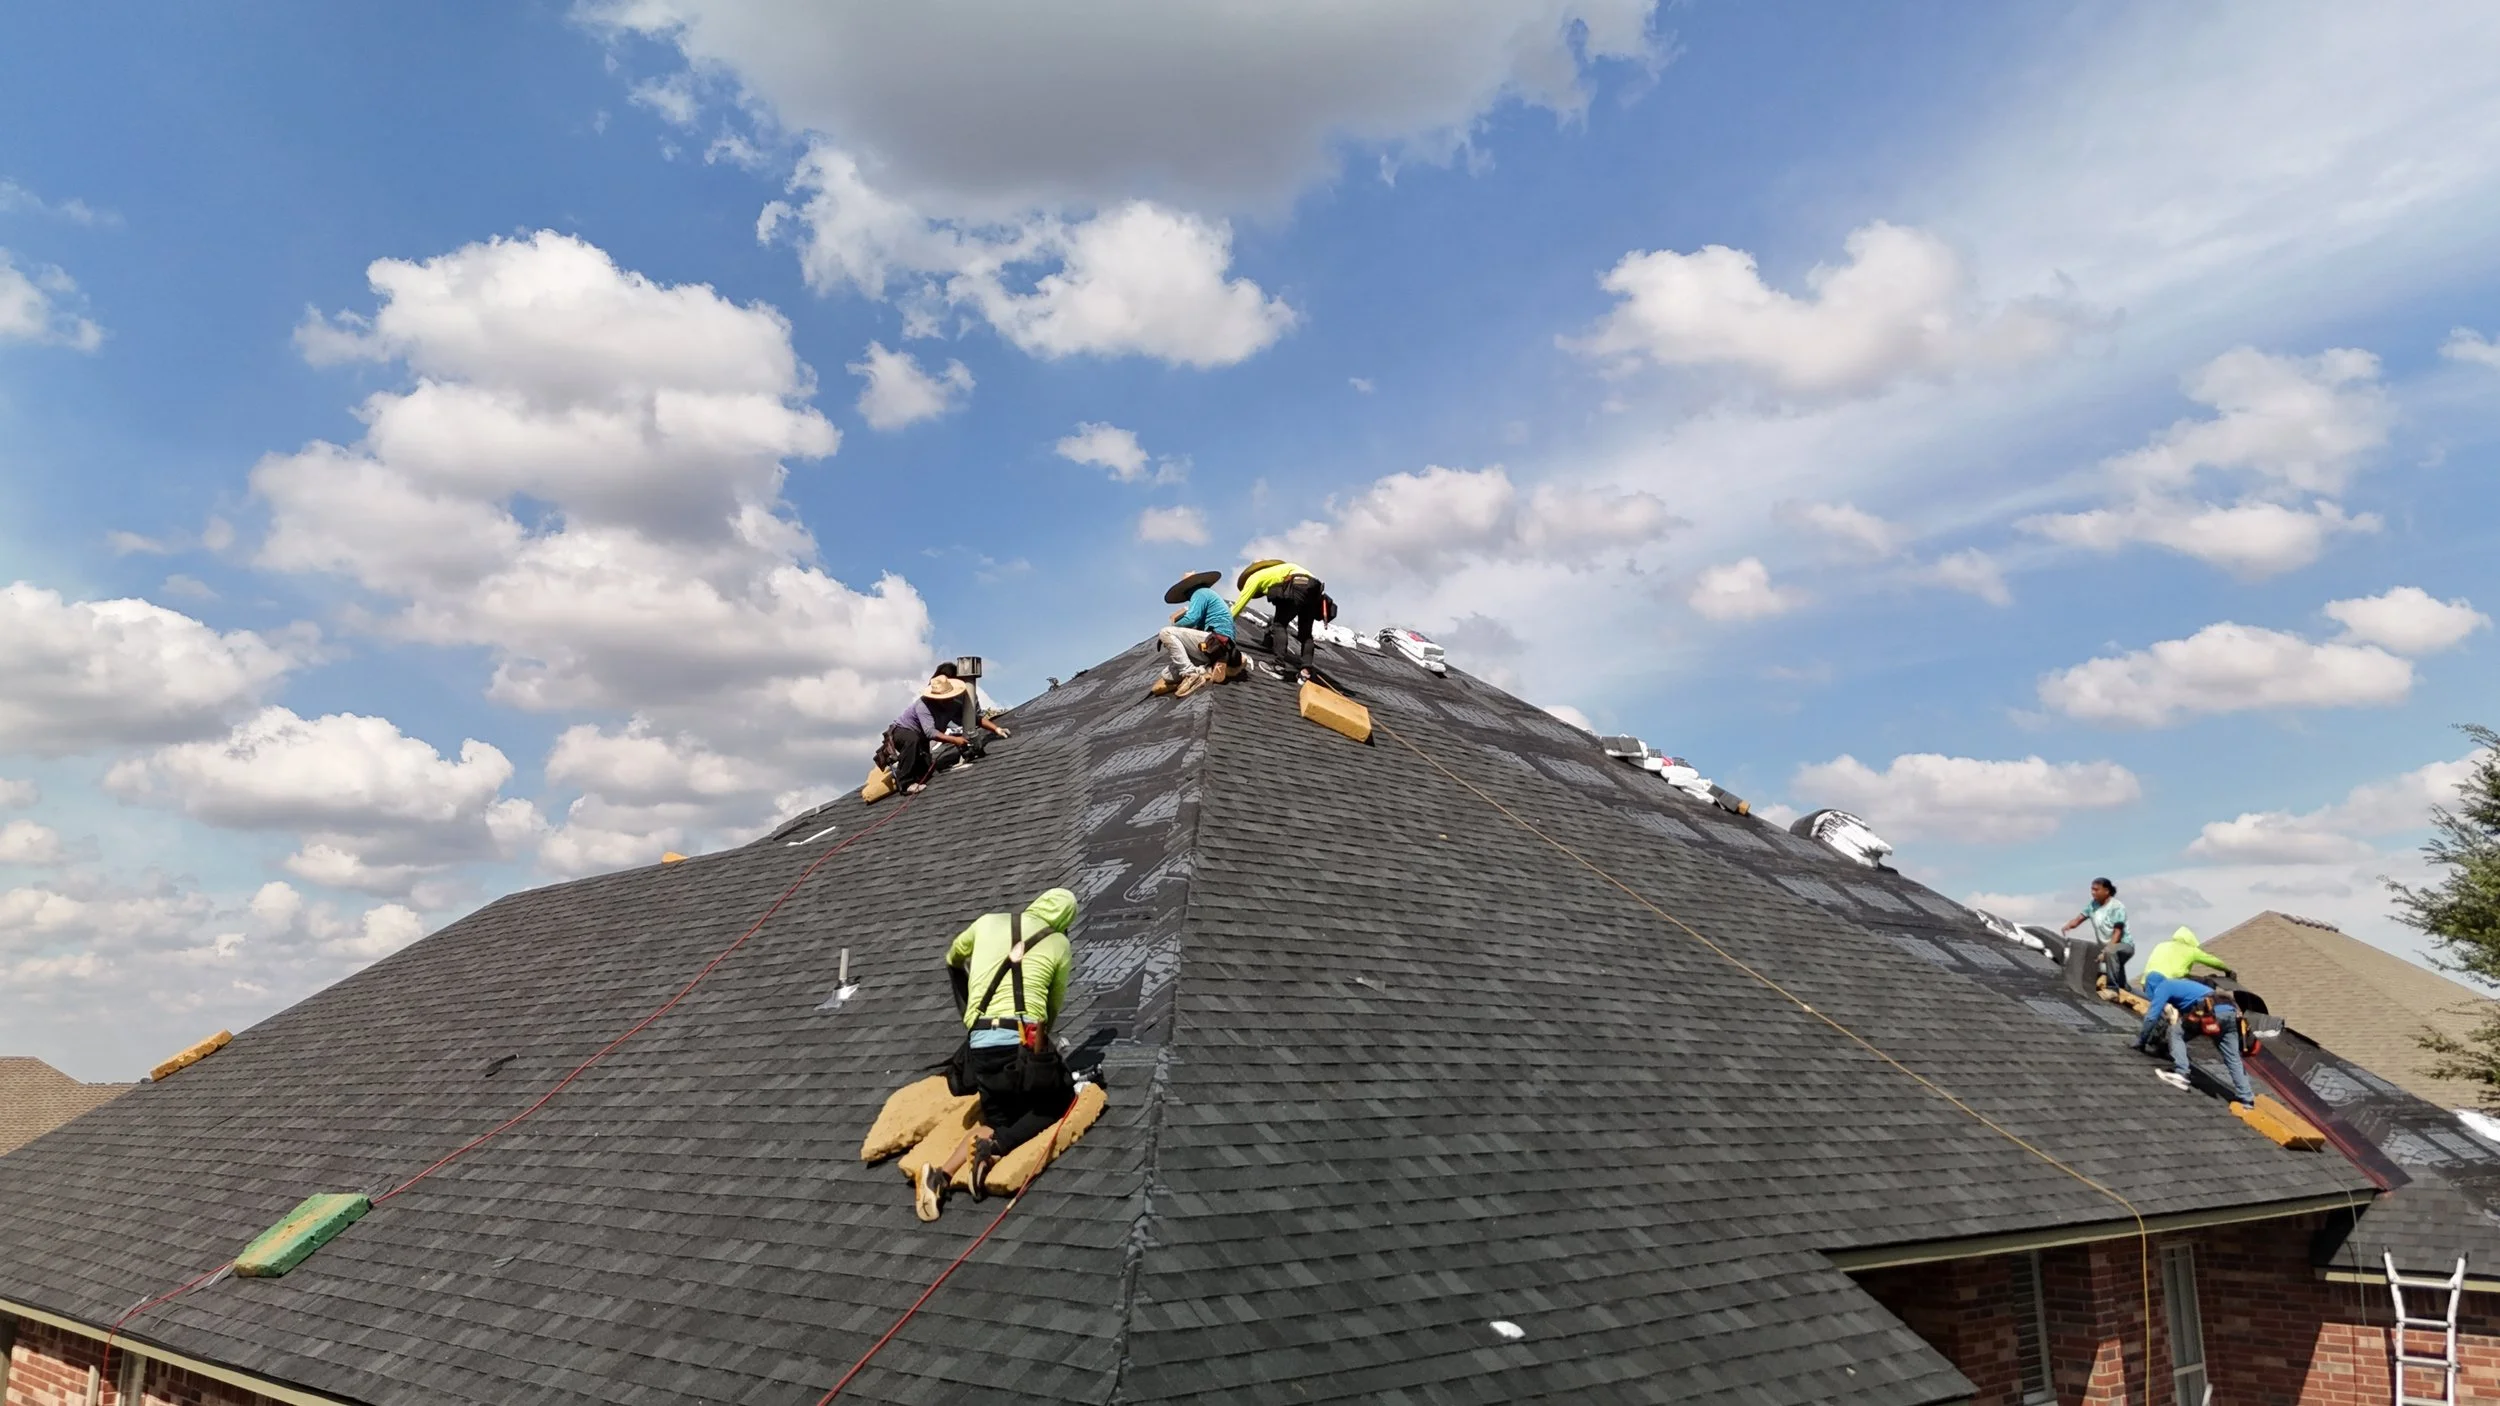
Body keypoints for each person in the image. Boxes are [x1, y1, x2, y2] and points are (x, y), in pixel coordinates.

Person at [918, 888, 1079, 1221]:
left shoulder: (987, 922)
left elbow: (953, 956)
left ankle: (941, 1176)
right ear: (1064, 920)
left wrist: (970, 1000)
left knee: (996, 1119)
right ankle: (997, 1148)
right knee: (1058, 1101)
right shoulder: (1059, 944)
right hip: (1018, 1044)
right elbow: (1051, 1007)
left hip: (979, 1047)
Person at [2132, 975, 2255, 1107]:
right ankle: (2247, 1098)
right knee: (2232, 1056)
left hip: (2209, 1011)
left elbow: (2151, 1017)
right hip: (2230, 1011)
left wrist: (2141, 1041)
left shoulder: (2163, 987)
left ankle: (2181, 1073)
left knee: (2176, 1032)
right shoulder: (2180, 985)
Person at [879, 676, 983, 795]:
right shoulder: (923, 705)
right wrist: (955, 740)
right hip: (901, 731)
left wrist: (996, 728)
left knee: (926, 771)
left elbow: (970, 719)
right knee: (912, 740)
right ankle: (905, 783)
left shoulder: (950, 706)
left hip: (920, 737)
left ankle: (911, 770)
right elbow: (930, 732)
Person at [1232, 559, 1327, 681]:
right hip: (1316, 589)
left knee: (1279, 625)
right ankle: (1305, 673)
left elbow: (1239, 605)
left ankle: (1278, 666)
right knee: (1305, 633)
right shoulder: (1280, 571)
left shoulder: (1256, 576)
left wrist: (1221, 625)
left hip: (1298, 585)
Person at [1153, 569, 1235, 698]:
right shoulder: (1207, 594)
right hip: (1212, 645)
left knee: (1165, 632)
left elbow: (1191, 619)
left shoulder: (1200, 593)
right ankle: (1205, 670)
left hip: (1216, 641)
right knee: (1167, 675)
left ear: (1187, 589)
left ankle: (1191, 674)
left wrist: (1171, 630)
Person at [925, 663, 1008, 770]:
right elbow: (929, 730)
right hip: (934, 735)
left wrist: (996, 729)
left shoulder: (964, 696)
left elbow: (975, 718)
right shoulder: (930, 697)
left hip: (958, 732)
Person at [2059, 878, 2131, 995]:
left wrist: (2108, 949)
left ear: (2106, 891)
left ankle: (2112, 990)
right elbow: (2079, 919)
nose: (2093, 892)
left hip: (2123, 946)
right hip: (2107, 948)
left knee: (2111, 953)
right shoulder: (2093, 906)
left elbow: (2118, 932)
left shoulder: (2116, 907)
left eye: (2096, 890)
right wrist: (2069, 926)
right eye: (2092, 889)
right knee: (2114, 971)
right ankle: (2123, 986)